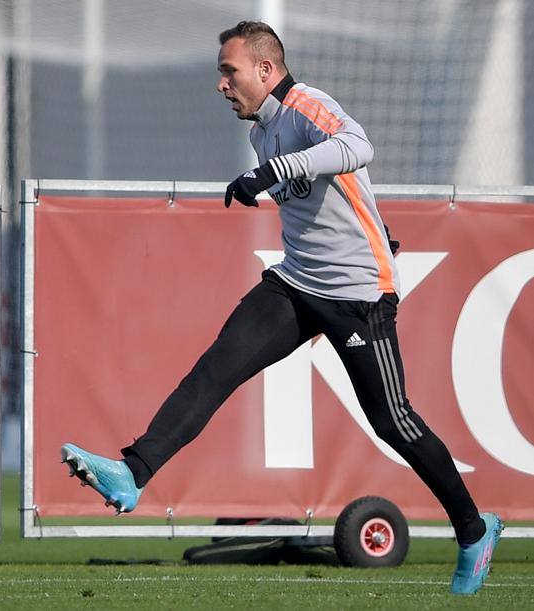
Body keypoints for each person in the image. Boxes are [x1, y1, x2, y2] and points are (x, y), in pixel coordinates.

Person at [61, 21, 501, 595]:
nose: (222, 84)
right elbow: (336, 200)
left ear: (265, 70)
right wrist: (270, 176)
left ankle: (474, 529)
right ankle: (132, 473)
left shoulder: (307, 106)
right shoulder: (260, 132)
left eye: (230, 71)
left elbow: (358, 147)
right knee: (216, 369)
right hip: (295, 285)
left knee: (393, 422)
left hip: (358, 294)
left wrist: (275, 172)